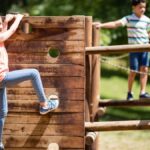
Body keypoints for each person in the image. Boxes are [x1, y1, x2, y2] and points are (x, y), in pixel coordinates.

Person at [0, 13, 59, 150]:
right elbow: (8, 33)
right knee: (33, 73)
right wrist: (18, 19)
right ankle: (44, 105)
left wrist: (7, 22)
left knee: (3, 112)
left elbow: (3, 34)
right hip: (2, 78)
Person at [93, 0, 150, 100]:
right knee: (133, 71)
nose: (142, 9)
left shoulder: (147, 20)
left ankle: (142, 92)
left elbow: (148, 32)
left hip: (145, 48)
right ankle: (129, 92)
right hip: (134, 48)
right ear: (134, 7)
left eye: (144, 7)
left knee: (144, 69)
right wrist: (101, 25)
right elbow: (115, 24)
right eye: (140, 7)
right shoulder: (128, 18)